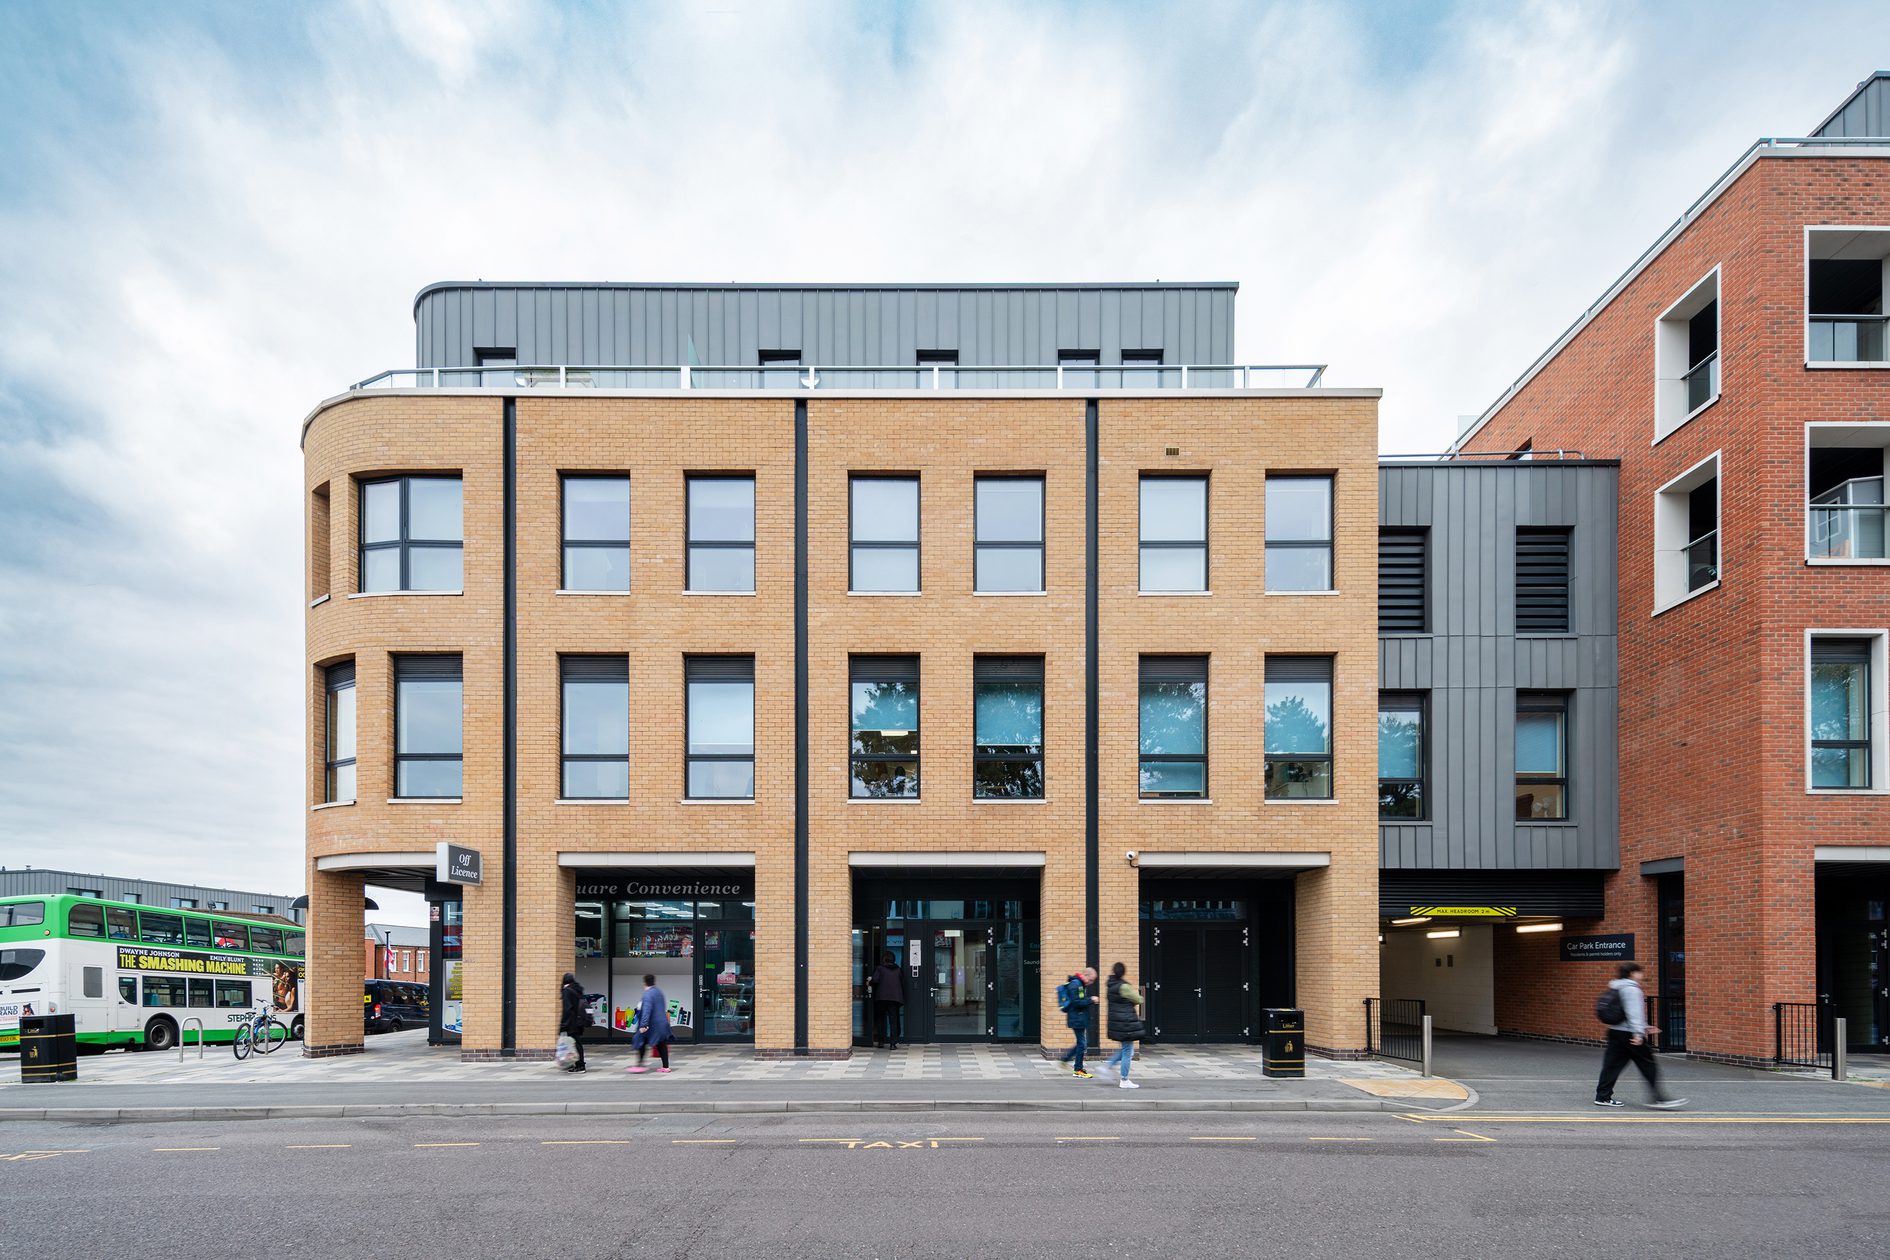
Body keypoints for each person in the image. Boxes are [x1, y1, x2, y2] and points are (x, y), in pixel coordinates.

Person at [1595, 962, 1686, 1109]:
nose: (1642, 975)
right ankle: (1660, 1099)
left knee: (1611, 1066)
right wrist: (1638, 1033)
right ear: (1632, 973)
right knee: (1648, 1065)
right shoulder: (1632, 989)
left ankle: (1602, 1097)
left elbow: (1624, 1013)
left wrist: (1645, 1027)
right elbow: (1634, 1013)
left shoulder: (1616, 987)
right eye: (1639, 972)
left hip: (1615, 1032)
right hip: (1630, 1035)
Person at [1100, 961, 1145, 1090]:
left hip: (1116, 1021)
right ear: (1123, 973)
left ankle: (1108, 1065)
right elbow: (1139, 999)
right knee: (1127, 1051)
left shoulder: (1110, 985)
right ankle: (1124, 1079)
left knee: (1127, 1049)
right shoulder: (1123, 987)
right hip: (1126, 1022)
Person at [627, 974, 674, 1074]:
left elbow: (647, 1010)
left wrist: (643, 1024)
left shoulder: (647, 994)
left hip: (652, 1025)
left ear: (644, 983)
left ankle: (640, 1064)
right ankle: (666, 1067)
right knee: (661, 1044)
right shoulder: (659, 992)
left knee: (641, 1041)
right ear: (654, 982)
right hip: (662, 1023)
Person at [1057, 967, 1098, 1078]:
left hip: (1078, 1018)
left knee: (1081, 1043)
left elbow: (1078, 1001)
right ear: (1085, 975)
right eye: (1090, 980)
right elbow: (1076, 1003)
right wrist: (1091, 1000)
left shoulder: (1078, 984)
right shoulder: (1076, 985)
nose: (1091, 983)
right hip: (1077, 1018)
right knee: (1082, 1044)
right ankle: (1078, 1069)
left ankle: (1066, 1059)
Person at [870, 951, 905, 1050]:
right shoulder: (898, 969)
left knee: (880, 1019)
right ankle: (893, 1043)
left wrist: (869, 981)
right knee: (893, 1020)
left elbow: (875, 980)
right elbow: (902, 983)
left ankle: (881, 1042)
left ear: (884, 959)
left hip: (881, 998)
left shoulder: (879, 969)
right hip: (894, 998)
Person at [558, 972, 589, 1073]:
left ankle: (579, 1065)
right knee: (577, 1044)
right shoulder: (577, 989)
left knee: (573, 1044)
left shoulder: (567, 991)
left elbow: (567, 1009)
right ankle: (578, 1064)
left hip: (571, 1022)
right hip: (579, 1021)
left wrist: (563, 1025)